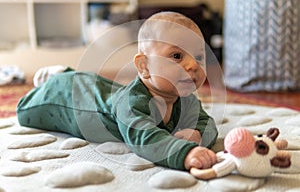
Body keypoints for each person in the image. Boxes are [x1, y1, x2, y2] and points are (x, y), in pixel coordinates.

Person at [16, 11, 218, 171]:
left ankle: (66, 73)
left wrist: (198, 135)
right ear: (144, 66)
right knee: (25, 112)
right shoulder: (131, 104)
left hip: (106, 91)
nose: (193, 65)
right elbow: (145, 140)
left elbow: (207, 123)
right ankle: (58, 77)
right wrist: (184, 154)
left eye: (199, 57)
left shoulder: (186, 100)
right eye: (176, 55)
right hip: (67, 99)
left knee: (101, 86)